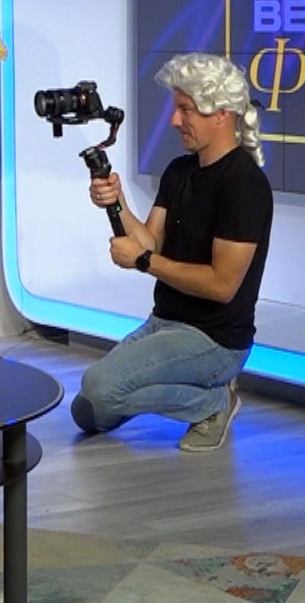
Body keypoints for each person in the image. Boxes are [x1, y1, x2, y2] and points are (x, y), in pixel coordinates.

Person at [70, 53, 273, 453]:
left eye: (185, 110)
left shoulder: (244, 185)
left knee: (100, 388)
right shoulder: (180, 171)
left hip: (214, 340)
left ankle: (214, 403)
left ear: (221, 114)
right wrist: (116, 202)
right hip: (164, 322)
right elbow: (150, 241)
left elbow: (221, 286)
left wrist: (143, 262)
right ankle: (181, 392)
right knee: (88, 412)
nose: (175, 121)